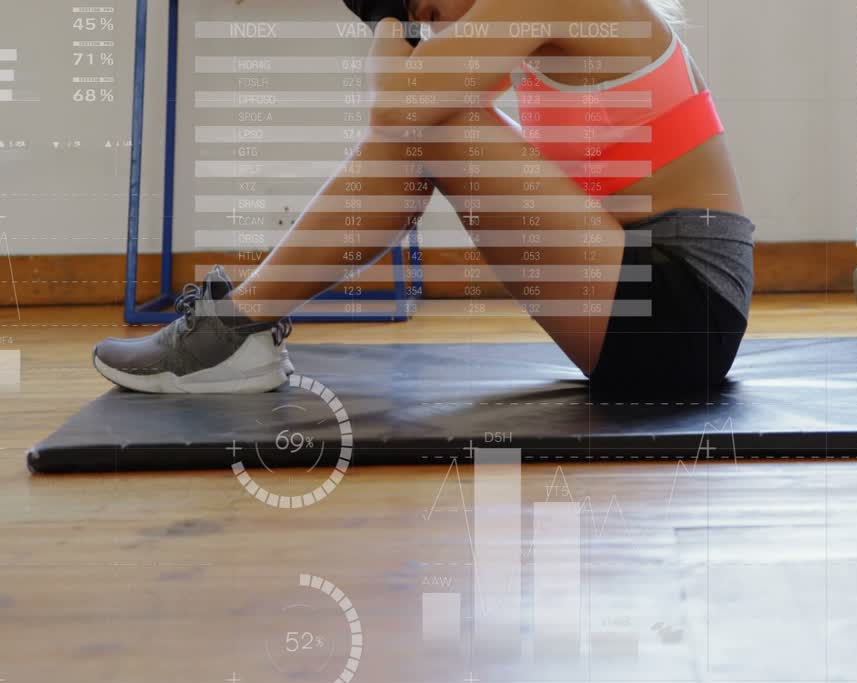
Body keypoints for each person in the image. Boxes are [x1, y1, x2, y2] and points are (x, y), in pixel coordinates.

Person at [92, 0, 754, 394]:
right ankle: (240, 326)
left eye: (418, 5)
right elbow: (404, 127)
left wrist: (383, 16)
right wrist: (394, 18)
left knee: (433, 120)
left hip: (677, 313)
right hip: (657, 317)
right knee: (430, 123)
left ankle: (237, 328)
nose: (420, 17)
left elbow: (397, 110)